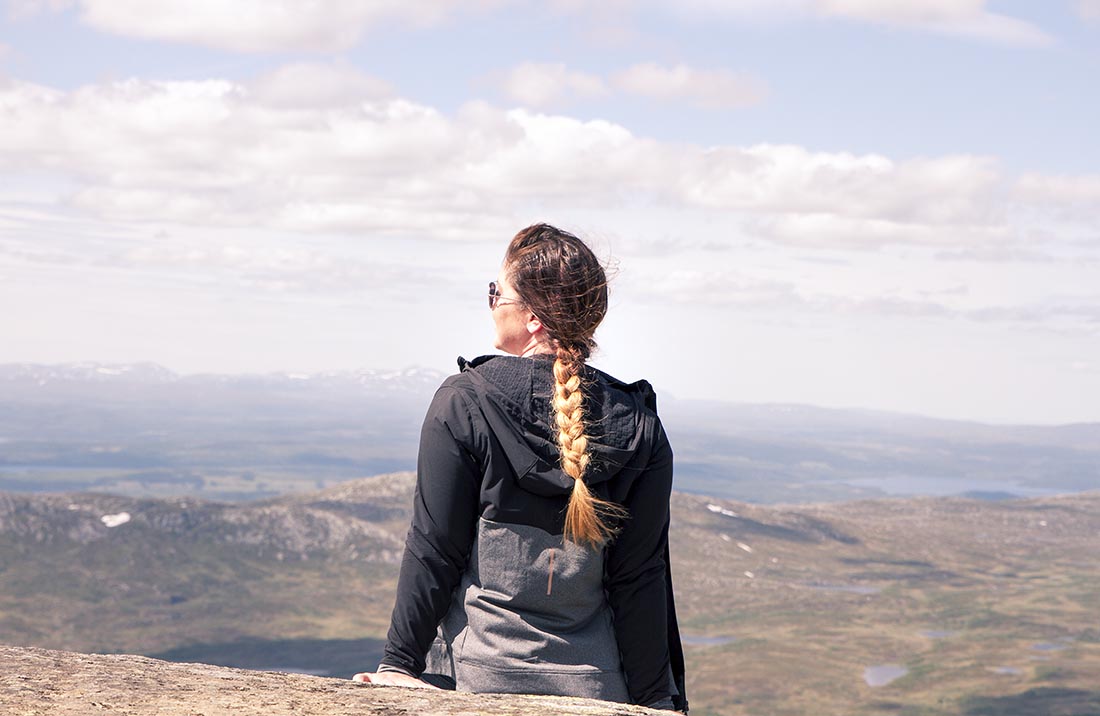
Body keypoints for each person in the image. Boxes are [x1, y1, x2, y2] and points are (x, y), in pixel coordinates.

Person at [353, 223, 687, 712]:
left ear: (532, 317)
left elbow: (434, 546)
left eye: (497, 292)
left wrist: (399, 665)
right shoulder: (640, 425)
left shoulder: (465, 401)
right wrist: (656, 699)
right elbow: (639, 577)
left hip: (474, 682)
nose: (491, 303)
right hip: (598, 689)